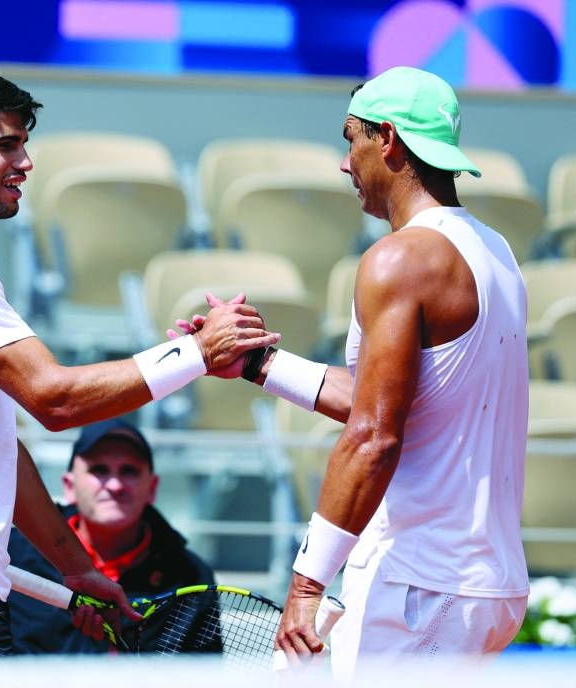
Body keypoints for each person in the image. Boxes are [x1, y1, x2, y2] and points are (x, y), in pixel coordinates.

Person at [0, 65, 280, 656]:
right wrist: (198, 353)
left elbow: (1, 453)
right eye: (5, 145)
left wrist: (76, 569)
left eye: (24, 144)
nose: (25, 162)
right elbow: (55, 399)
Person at [178, 66, 530, 679]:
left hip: (422, 582)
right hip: (483, 582)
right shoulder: (495, 251)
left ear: (387, 140)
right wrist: (258, 363)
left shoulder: (399, 260)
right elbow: (391, 401)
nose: (346, 161)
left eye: (351, 137)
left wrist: (307, 584)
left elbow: (374, 433)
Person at [7, 417, 220, 654]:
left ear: (152, 488)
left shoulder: (190, 574)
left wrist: (119, 649)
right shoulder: (12, 554)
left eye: (129, 470)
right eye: (99, 470)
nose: (115, 485)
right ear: (69, 486)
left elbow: (203, 673)